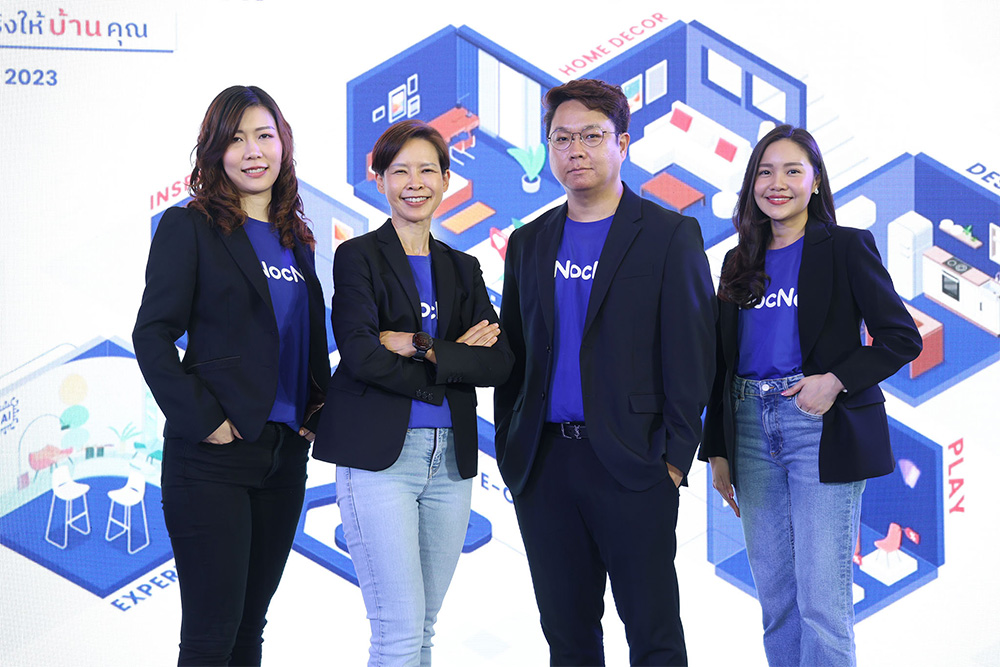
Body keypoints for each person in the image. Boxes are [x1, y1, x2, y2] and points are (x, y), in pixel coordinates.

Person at [494, 78, 717, 666]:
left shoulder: (670, 235)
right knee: (567, 640)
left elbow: (693, 352)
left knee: (654, 636)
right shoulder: (528, 242)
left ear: (622, 143)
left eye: (592, 136)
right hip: (545, 465)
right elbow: (514, 355)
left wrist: (673, 459)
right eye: (561, 138)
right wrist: (512, 448)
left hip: (635, 462)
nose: (576, 150)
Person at [699, 125, 921, 666]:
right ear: (751, 183)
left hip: (818, 426)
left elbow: (902, 338)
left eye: (792, 171)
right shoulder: (737, 261)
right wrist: (719, 449)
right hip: (749, 428)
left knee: (822, 603)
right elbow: (722, 363)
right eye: (765, 172)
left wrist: (835, 380)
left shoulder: (845, 247)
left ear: (815, 181)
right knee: (777, 601)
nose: (777, 183)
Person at [133, 85, 330, 666]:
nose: (252, 151)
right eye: (236, 138)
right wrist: (206, 420)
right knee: (211, 634)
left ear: (283, 144)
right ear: (216, 150)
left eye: (264, 136)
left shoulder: (297, 240)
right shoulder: (189, 226)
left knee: (249, 630)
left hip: (283, 455)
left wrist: (315, 411)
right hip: (212, 458)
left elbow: (302, 342)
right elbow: (152, 334)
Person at [311, 119, 513, 666]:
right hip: (380, 460)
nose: (415, 182)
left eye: (427, 170)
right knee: (398, 631)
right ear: (380, 181)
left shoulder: (463, 268)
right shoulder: (358, 256)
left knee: (422, 628)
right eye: (400, 171)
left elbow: (498, 362)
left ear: (446, 179)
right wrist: (450, 356)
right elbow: (361, 355)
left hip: (450, 463)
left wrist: (419, 344)